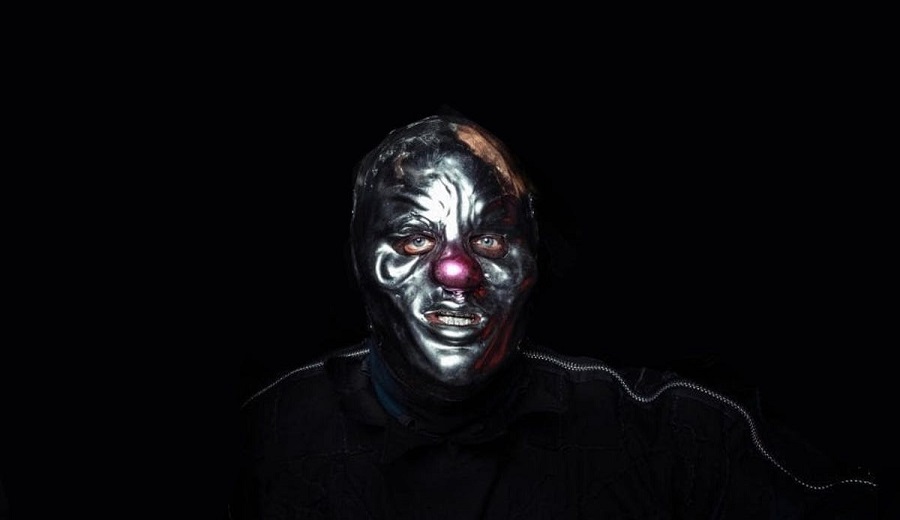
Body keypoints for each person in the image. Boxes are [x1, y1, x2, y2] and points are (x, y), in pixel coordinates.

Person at [228, 113, 879, 518]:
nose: (457, 272)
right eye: (415, 238)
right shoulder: (266, 438)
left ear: (531, 262)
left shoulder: (664, 435)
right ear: (359, 258)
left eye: (489, 239)